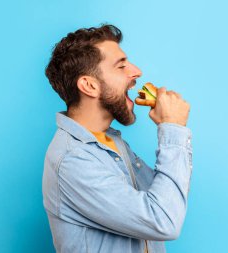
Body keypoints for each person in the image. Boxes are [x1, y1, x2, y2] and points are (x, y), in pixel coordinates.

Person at [43, 24, 193, 253]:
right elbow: (164, 220)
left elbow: (168, 198)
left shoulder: (110, 142)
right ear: (89, 85)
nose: (136, 71)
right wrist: (172, 130)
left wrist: (173, 128)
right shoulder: (74, 160)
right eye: (121, 65)